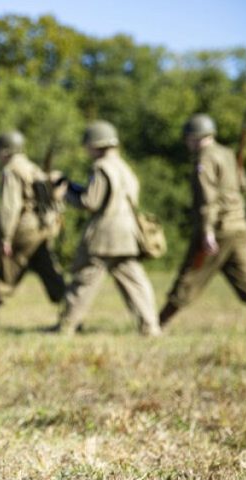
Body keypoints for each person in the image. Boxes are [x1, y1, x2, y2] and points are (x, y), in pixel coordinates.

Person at [159, 114, 246, 334]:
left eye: (188, 138)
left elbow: (207, 199)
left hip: (218, 229)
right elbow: (243, 185)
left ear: (194, 137)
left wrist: (207, 231)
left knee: (190, 276)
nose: (187, 143)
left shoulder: (205, 159)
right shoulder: (228, 154)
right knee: (245, 275)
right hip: (239, 226)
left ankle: (158, 323)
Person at [55, 121, 160, 336]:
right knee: (136, 283)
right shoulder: (124, 167)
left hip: (105, 234)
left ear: (95, 144)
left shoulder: (101, 167)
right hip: (128, 233)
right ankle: (150, 326)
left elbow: (90, 202)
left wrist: (65, 193)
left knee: (84, 281)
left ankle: (66, 326)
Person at [0, 131, 67, 328]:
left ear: (4, 151)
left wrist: (6, 237)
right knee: (51, 275)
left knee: (7, 274)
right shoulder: (32, 167)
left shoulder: (11, 170)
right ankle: (71, 317)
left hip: (24, 228)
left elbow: (10, 206)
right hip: (42, 227)